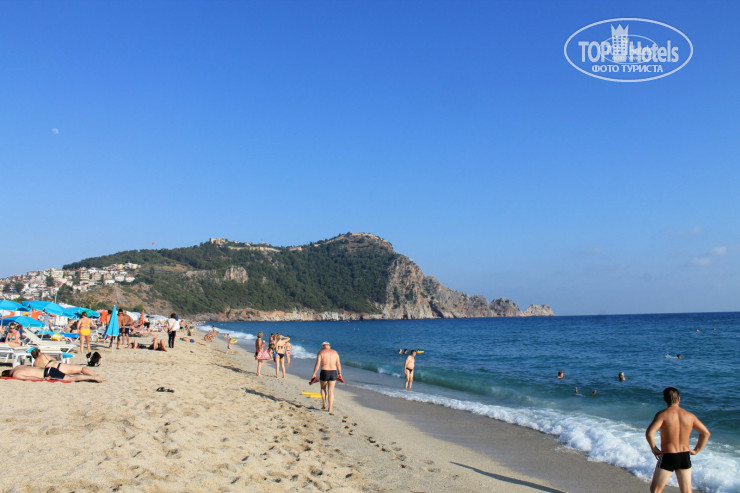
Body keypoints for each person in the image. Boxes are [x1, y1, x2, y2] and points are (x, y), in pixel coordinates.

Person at [646, 387, 711, 493]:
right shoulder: (690, 416)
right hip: (684, 456)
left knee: (655, 490)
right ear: (679, 399)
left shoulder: (662, 415)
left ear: (664, 399)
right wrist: (696, 450)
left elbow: (649, 433)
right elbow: (706, 433)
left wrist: (654, 448)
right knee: (686, 491)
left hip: (668, 456)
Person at [311, 341, 343, 414]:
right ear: (329, 346)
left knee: (323, 388)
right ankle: (330, 408)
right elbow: (338, 364)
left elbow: (318, 364)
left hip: (324, 371)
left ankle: (324, 403)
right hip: (333, 372)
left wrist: (314, 373)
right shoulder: (335, 353)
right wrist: (340, 373)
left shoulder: (321, 352)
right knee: (331, 391)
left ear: (323, 346)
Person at [31, 348, 98, 377]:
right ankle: (94, 376)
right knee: (81, 369)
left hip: (51, 374)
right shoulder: (44, 355)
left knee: (74, 374)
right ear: (38, 353)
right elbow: (54, 359)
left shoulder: (35, 364)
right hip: (58, 367)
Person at [3, 364, 102, 382]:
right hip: (49, 368)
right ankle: (91, 376)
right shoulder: (18, 367)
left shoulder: (16, 374)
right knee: (68, 376)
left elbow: (29, 377)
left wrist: (42, 379)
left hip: (47, 374)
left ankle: (93, 377)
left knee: (71, 379)